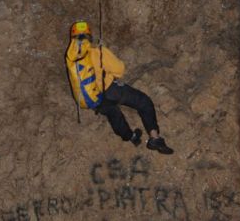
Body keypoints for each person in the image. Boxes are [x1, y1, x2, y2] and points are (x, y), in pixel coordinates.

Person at [65, 21, 173, 154]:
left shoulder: (70, 59)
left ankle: (130, 136)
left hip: (91, 98)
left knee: (113, 113)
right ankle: (154, 138)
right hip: (110, 90)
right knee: (143, 102)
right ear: (89, 36)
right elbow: (120, 69)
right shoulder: (98, 52)